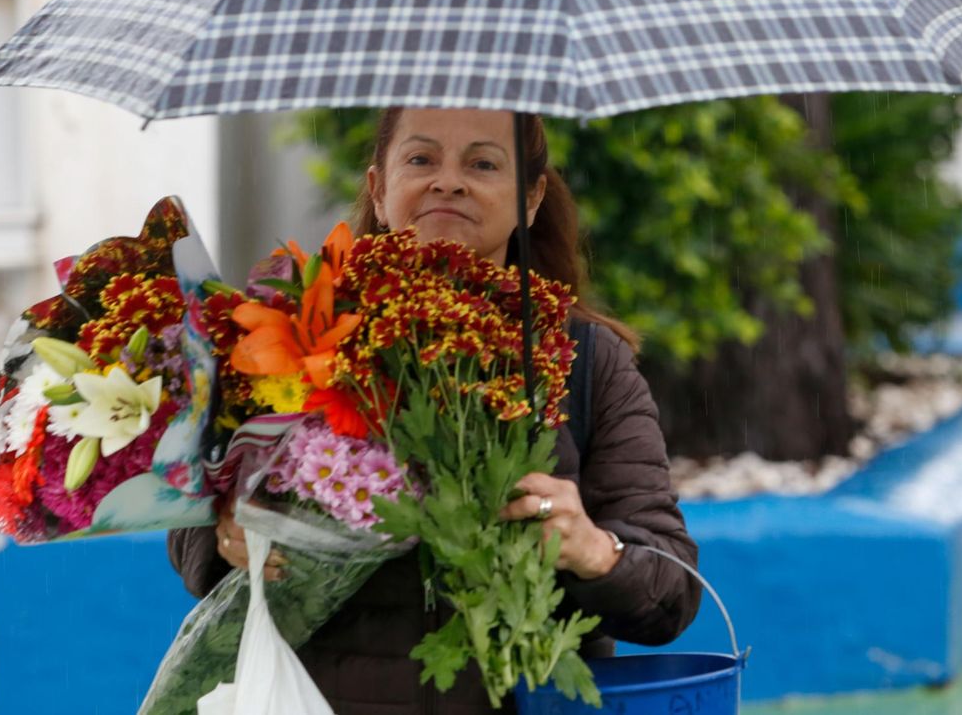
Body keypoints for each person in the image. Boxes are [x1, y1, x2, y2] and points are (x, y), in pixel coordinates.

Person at [169, 107, 700, 714]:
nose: (449, 182)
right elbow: (191, 516)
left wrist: (593, 549)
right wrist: (222, 535)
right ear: (379, 186)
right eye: (421, 159)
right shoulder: (297, 332)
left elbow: (671, 592)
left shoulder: (584, 361)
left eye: (483, 163)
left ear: (531, 199)